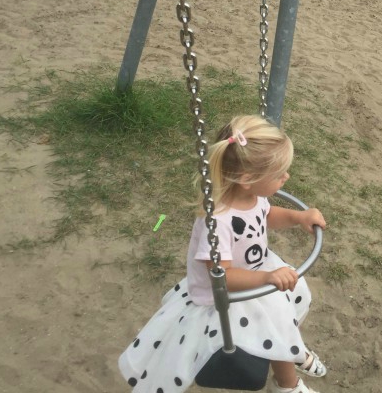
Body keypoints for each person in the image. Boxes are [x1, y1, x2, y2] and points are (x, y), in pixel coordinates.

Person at [119, 115, 329, 393]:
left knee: (291, 297)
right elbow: (223, 276)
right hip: (227, 294)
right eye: (279, 175)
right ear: (247, 178)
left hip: (254, 271)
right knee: (276, 313)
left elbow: (265, 216)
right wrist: (267, 277)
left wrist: (297, 216)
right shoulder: (216, 222)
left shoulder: (252, 196)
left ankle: (290, 348)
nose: (286, 177)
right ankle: (288, 384)